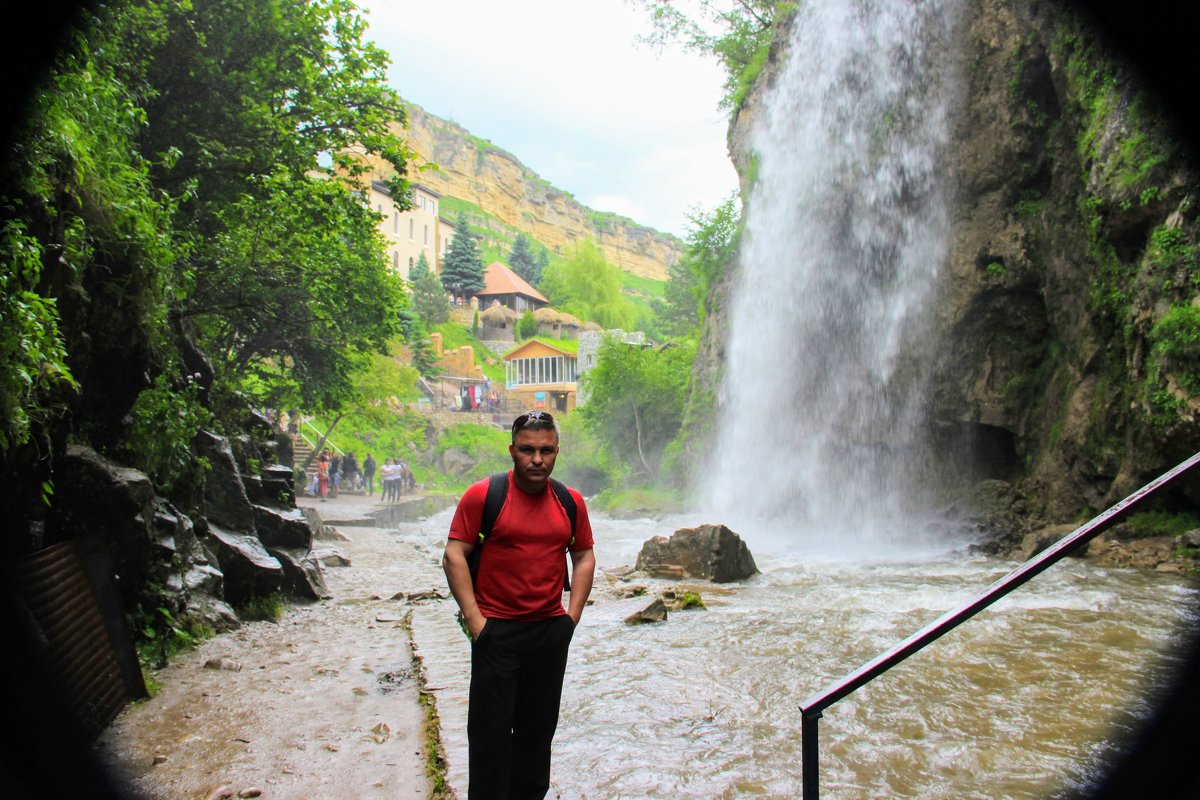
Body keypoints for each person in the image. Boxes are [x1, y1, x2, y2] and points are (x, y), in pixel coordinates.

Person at [442, 411, 596, 800]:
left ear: (557, 451)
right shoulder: (485, 495)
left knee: (538, 731)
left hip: (548, 631)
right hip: (497, 632)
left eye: (546, 450)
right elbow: (454, 555)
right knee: (490, 733)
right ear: (512, 450)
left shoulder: (569, 501)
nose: (537, 459)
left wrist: (571, 617)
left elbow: (584, 556)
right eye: (527, 450)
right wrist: (476, 621)